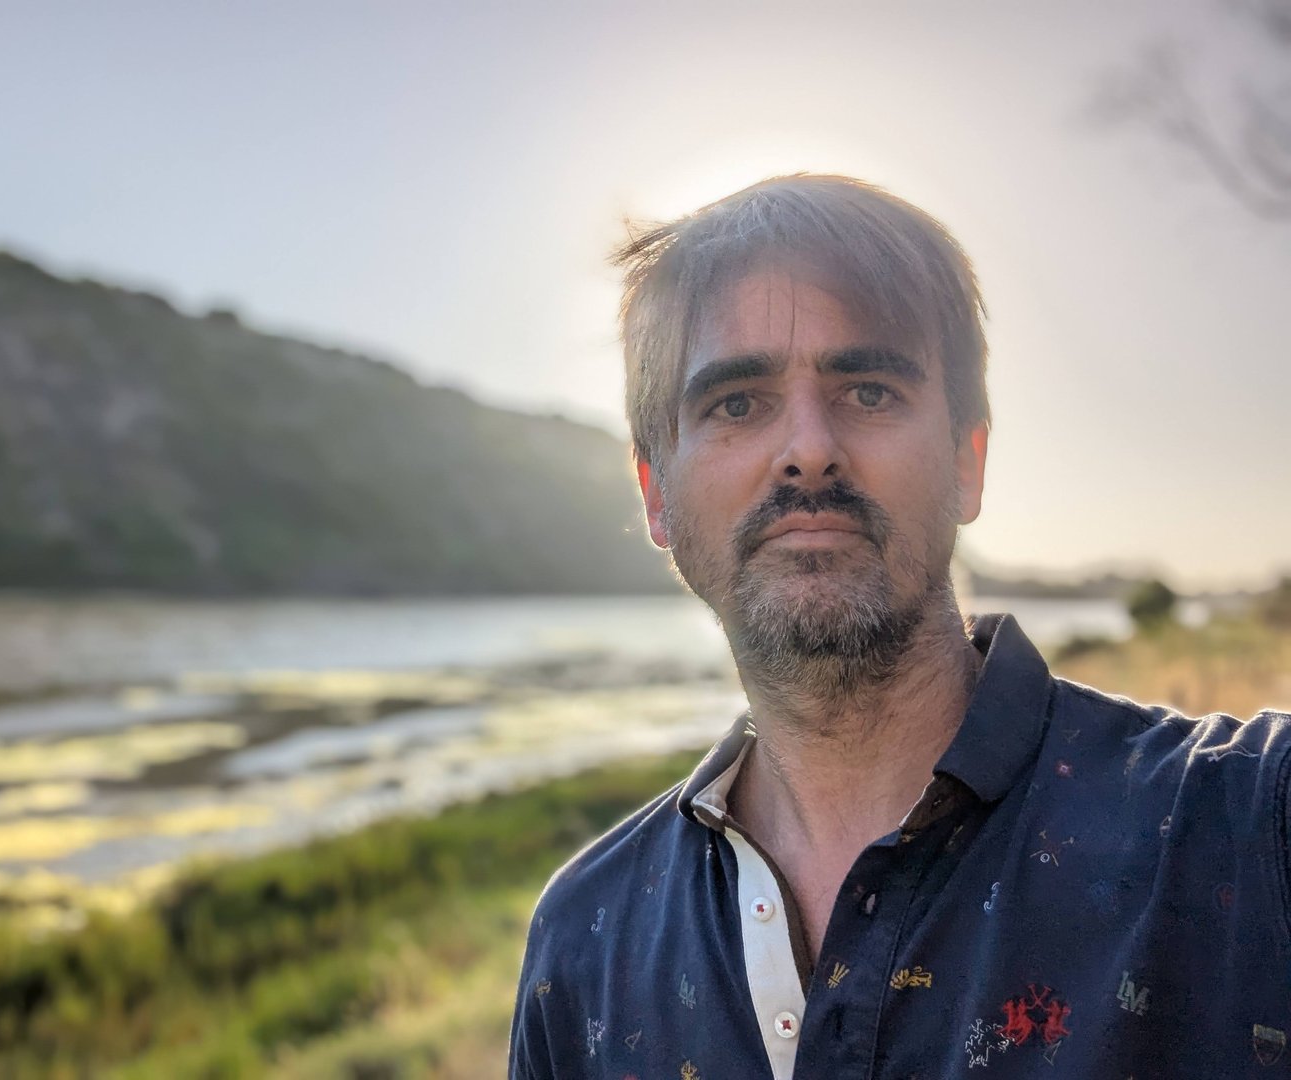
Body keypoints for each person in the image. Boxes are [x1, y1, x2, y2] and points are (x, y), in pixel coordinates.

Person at [508, 174, 1291, 1079]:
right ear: (656, 498)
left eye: (869, 390)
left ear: (967, 461)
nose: (807, 448)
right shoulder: (581, 944)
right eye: (736, 403)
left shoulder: (1245, 823)